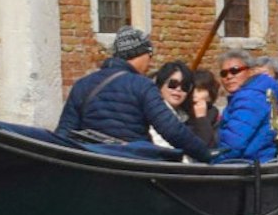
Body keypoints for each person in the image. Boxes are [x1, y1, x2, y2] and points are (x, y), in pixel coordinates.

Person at [52, 28, 210, 160]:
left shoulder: (82, 84)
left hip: (92, 162)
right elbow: (172, 130)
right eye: (150, 56)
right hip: (131, 164)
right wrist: (204, 154)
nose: (150, 63)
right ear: (141, 54)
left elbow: (64, 133)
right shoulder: (142, 85)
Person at [214, 52, 278, 162]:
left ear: (250, 72)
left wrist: (212, 162)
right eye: (224, 73)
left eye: (235, 70)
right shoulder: (255, 94)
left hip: (248, 167)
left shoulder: (249, 98)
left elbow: (233, 144)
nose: (229, 76)